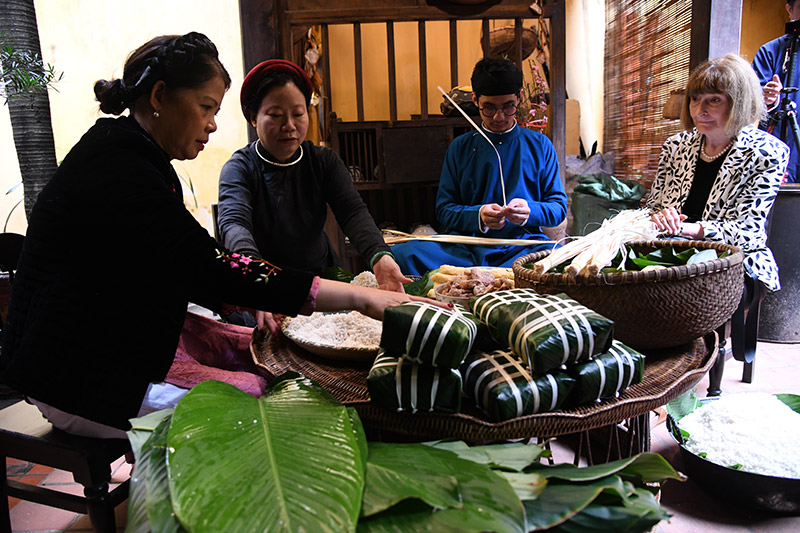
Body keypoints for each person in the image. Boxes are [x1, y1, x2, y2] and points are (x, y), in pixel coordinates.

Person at [0, 33, 447, 439]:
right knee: (269, 400)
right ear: (159, 97)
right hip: (74, 373)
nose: (212, 123)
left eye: (298, 114)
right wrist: (361, 298)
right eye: (206, 107)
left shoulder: (128, 153)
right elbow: (219, 252)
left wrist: (375, 258)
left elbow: (197, 258)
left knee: (265, 358)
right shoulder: (123, 169)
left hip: (106, 337)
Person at [217, 59, 408, 331]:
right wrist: (255, 281)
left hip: (319, 279)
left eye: (298, 113)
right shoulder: (239, 168)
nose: (290, 126)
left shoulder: (323, 161)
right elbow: (234, 224)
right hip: (263, 285)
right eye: (275, 115)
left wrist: (380, 256)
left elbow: (353, 212)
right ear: (252, 117)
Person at [391, 57, 567, 276]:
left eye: (508, 107)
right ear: (475, 100)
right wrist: (478, 215)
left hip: (523, 248)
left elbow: (558, 209)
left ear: (519, 98)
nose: (499, 116)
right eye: (489, 108)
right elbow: (444, 210)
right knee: (403, 253)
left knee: (563, 257)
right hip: (466, 248)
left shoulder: (540, 146)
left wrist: (530, 211)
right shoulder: (460, 148)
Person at [648, 54, 789, 298]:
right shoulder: (676, 146)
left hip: (733, 260)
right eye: (694, 99)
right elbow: (653, 207)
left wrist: (690, 229)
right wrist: (661, 216)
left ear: (739, 103)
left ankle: (704, 337)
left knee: (675, 296)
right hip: (671, 253)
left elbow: (748, 231)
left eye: (714, 100)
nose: (700, 110)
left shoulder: (767, 153)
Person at [752, 0, 800, 183]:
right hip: (782, 144)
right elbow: (751, 101)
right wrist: (769, 98)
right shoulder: (771, 52)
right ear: (789, 9)